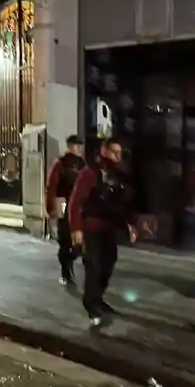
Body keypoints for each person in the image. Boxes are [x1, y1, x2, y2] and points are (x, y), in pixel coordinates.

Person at [67, 137, 136, 329]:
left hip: (108, 228)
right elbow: (75, 201)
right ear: (104, 151)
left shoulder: (116, 175)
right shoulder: (90, 173)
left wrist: (129, 224)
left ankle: (98, 298)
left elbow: (120, 204)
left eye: (119, 153)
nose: (117, 156)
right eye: (114, 152)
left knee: (108, 263)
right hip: (91, 228)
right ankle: (92, 307)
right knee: (94, 267)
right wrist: (76, 228)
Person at [45, 134, 87, 285]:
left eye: (79, 146)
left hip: (80, 207)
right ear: (69, 146)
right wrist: (51, 207)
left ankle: (69, 260)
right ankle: (65, 272)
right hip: (64, 203)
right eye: (75, 145)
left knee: (80, 243)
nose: (78, 148)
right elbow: (51, 186)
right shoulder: (60, 164)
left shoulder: (83, 164)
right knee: (65, 240)